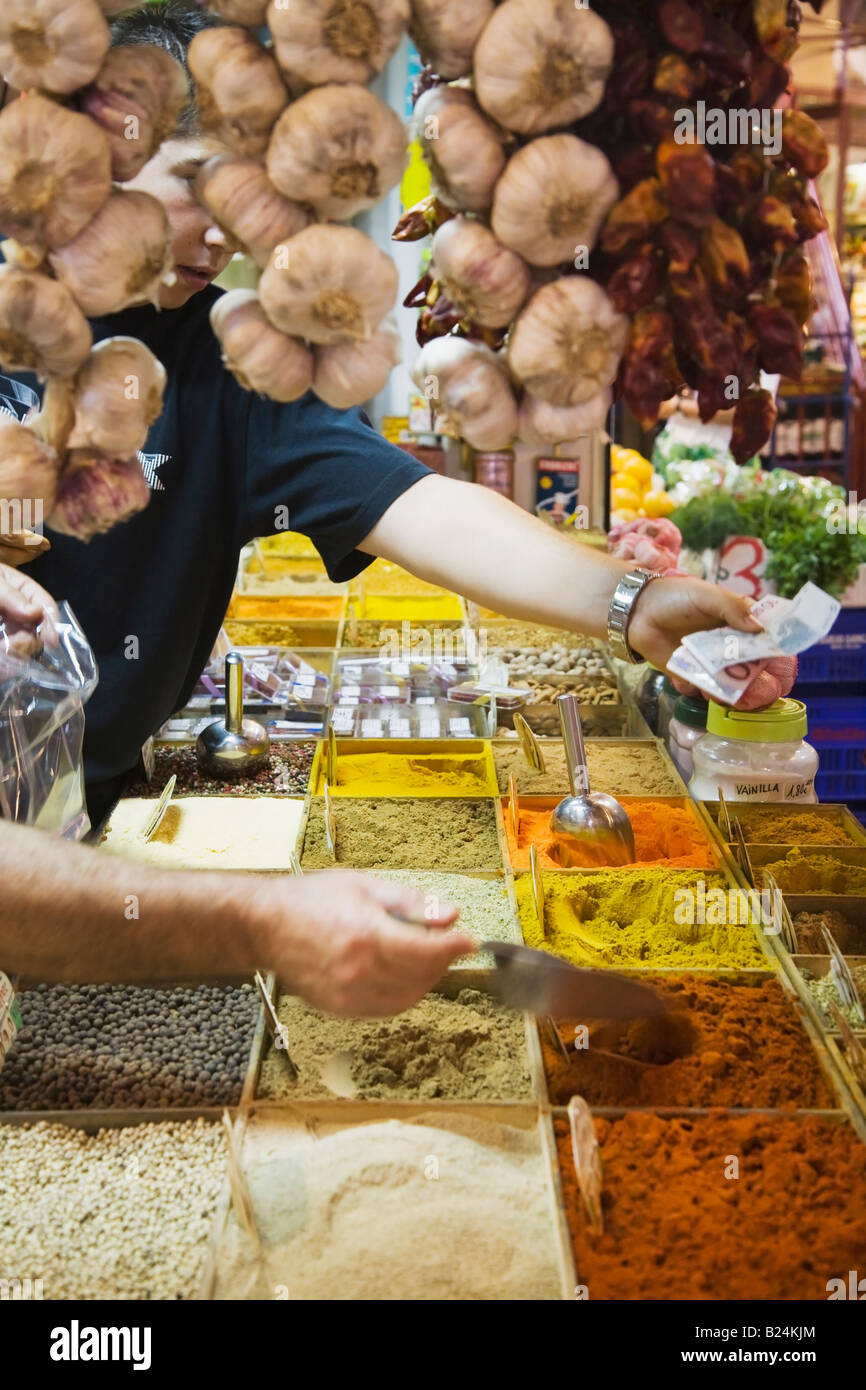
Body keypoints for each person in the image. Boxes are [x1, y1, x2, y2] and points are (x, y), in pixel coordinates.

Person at [0, 3, 770, 1004]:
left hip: (70, 843)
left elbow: (415, 505)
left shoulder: (229, 364)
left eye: (255, 190)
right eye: (198, 179)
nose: (233, 224)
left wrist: (628, 601)